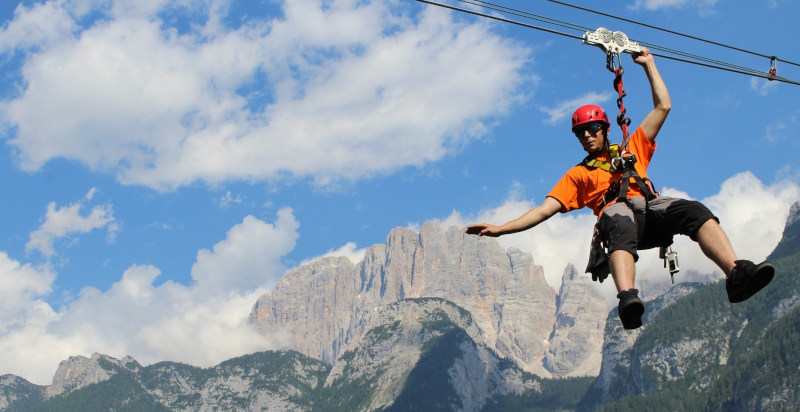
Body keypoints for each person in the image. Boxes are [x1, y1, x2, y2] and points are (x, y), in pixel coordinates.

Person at [465, 47, 774, 330]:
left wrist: (648, 65)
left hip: (651, 212)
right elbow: (544, 210)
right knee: (617, 217)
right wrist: (501, 229)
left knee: (693, 210)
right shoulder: (578, 175)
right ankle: (628, 297)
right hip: (621, 223)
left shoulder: (632, 147)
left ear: (604, 130)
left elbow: (663, 106)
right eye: (580, 133)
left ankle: (736, 273)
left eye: (591, 129)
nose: (586, 136)